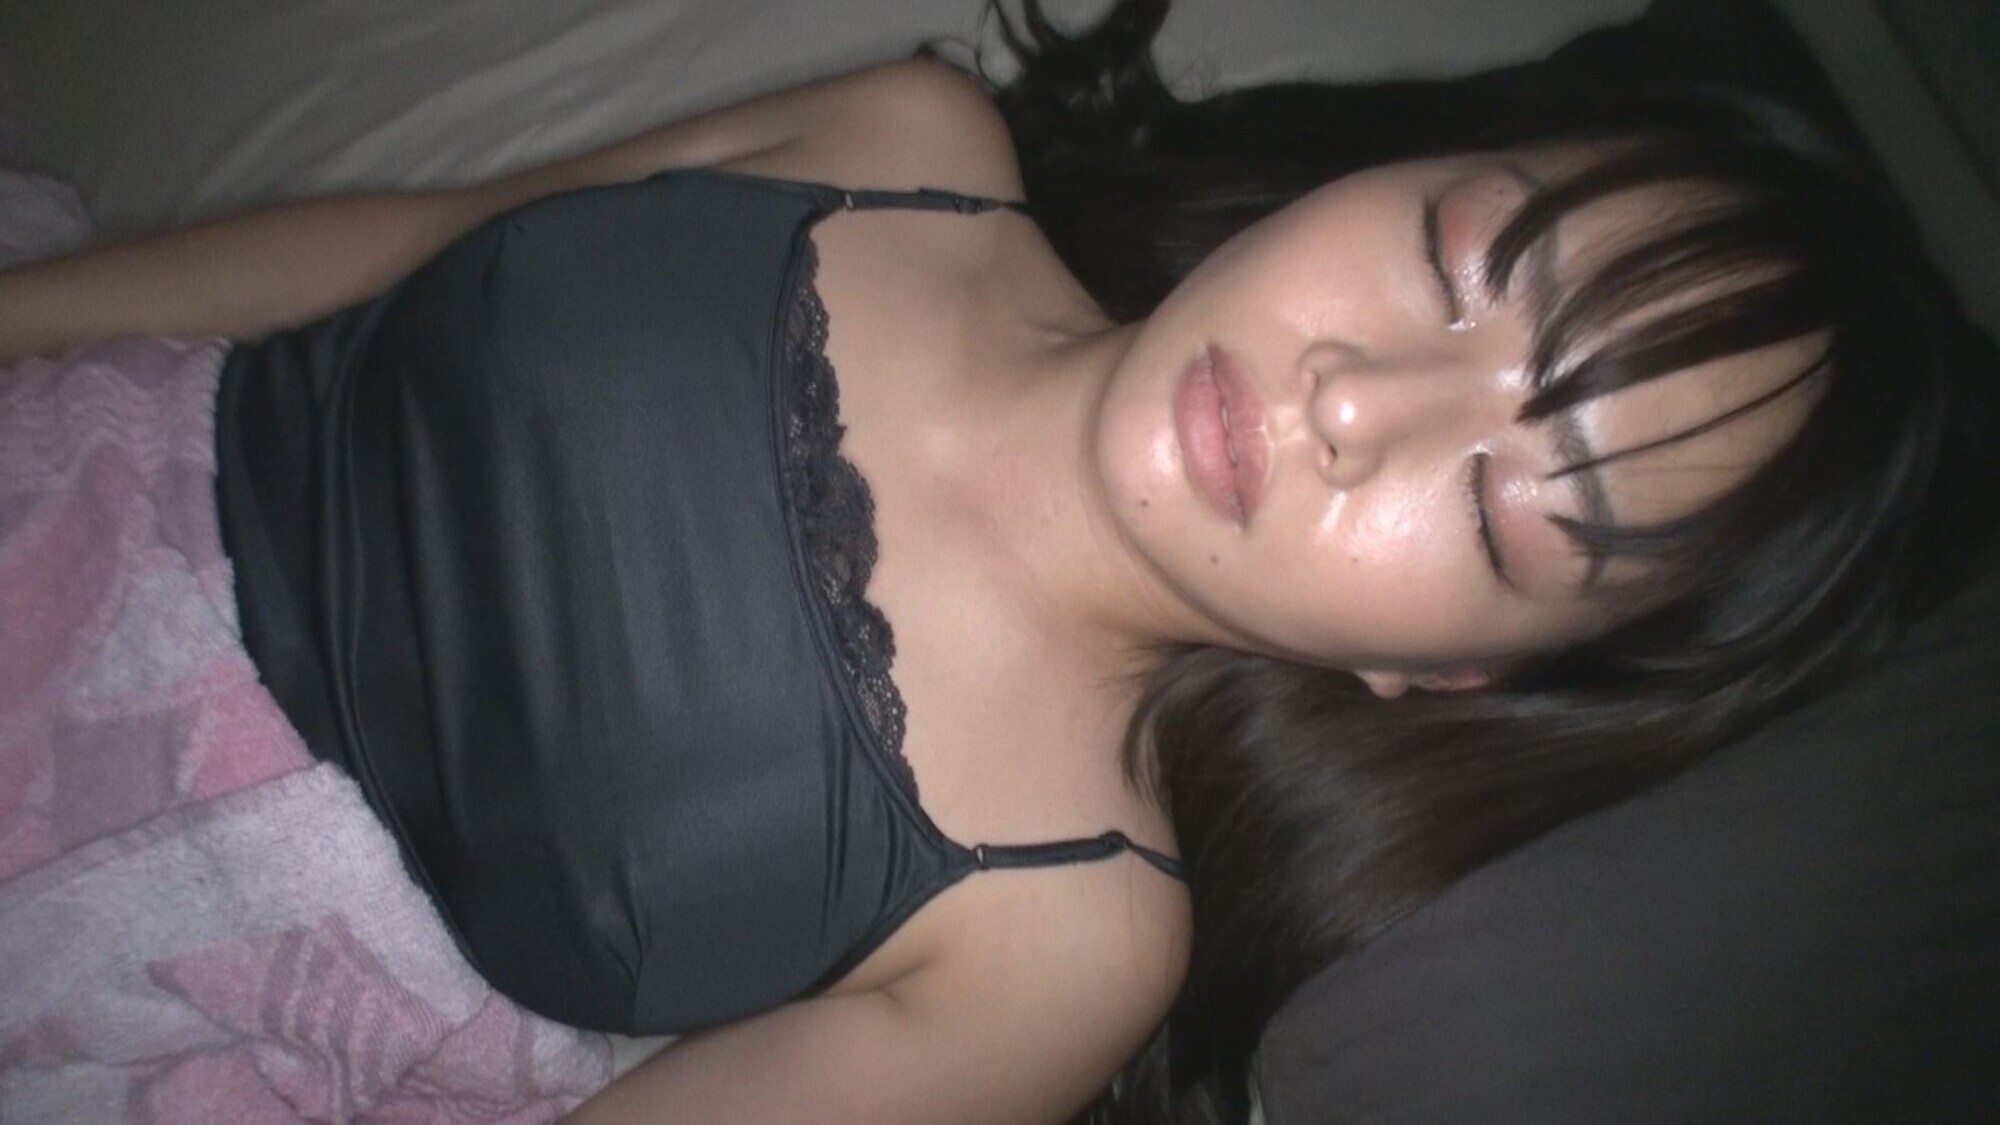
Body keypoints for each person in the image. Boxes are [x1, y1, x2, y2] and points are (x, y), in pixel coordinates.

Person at [0, 1, 1991, 1121]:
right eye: (1458, 261)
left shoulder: (1066, 943)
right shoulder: (904, 134)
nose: (1357, 403)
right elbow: (392, 249)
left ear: (1454, 675)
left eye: (1498, 508)